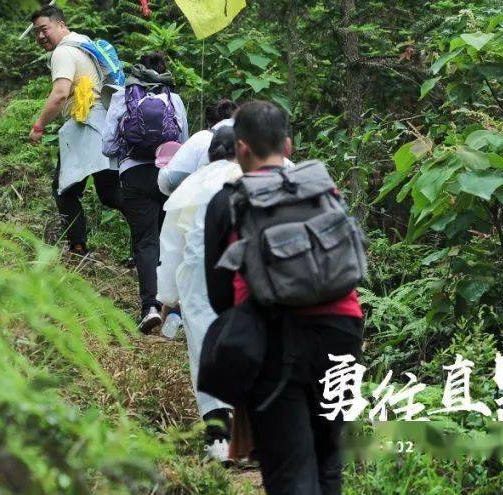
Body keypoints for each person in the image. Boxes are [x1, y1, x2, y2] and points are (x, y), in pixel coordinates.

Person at [203, 101, 364, 495]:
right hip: (343, 332)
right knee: (329, 461)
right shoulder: (325, 188)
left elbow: (220, 296)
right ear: (288, 145)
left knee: (290, 470)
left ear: (241, 148)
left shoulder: (228, 201)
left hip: (275, 343)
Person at [156, 126, 241, 463]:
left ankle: (220, 439)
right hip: (246, 275)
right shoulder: (257, 178)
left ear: (210, 154)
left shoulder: (191, 185)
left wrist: (167, 296)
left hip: (199, 278)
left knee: (205, 355)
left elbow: (171, 245)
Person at [102, 52, 189, 332]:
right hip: (168, 174)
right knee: (169, 241)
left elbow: (107, 145)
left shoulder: (123, 96)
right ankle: (172, 311)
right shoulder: (173, 99)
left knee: (145, 242)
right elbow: (183, 141)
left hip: (134, 176)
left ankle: (150, 306)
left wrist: (127, 153)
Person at [30, 5, 122, 255]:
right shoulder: (85, 43)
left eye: (44, 29)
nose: (40, 36)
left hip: (85, 125)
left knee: (65, 189)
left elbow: (60, 94)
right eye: (36, 32)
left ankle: (77, 248)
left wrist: (39, 125)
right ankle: (150, 231)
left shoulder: (63, 52)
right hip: (104, 121)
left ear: (61, 24)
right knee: (111, 193)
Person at [158, 98, 237, 195]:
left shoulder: (203, 135)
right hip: (178, 183)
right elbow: (207, 178)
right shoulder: (214, 140)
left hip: (169, 179)